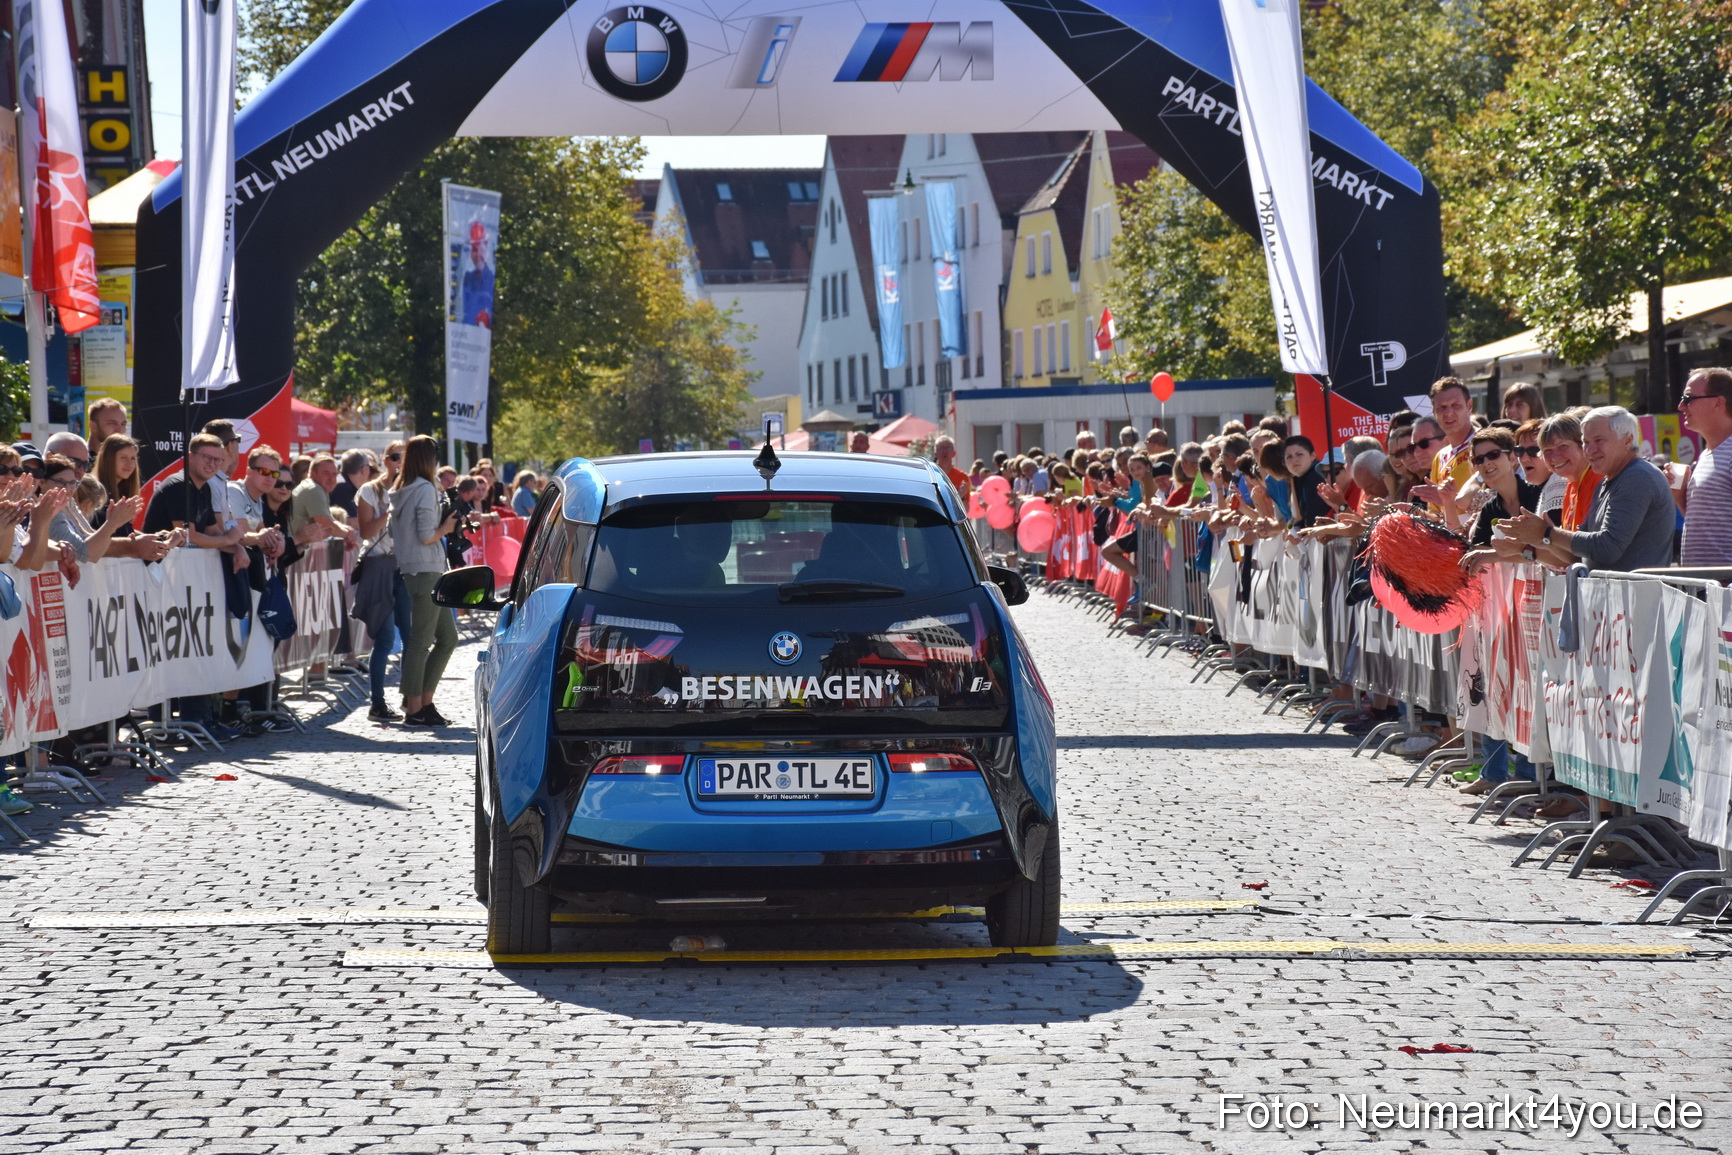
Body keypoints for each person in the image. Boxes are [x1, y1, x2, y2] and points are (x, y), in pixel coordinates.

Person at [1502, 406, 1676, 571]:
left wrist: (1547, 532)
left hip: (1636, 598)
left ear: (1628, 440)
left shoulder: (1637, 476)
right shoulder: (1609, 480)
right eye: (1586, 442)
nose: (1590, 450)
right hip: (1614, 596)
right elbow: (1578, 556)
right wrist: (1543, 538)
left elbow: (1607, 548)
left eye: (1598, 440)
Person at [392, 436, 461, 727]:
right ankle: (415, 707)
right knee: (421, 641)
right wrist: (446, 527)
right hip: (426, 569)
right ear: (427, 459)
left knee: (448, 638)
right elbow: (425, 534)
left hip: (419, 569)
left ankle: (422, 700)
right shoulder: (423, 489)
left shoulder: (403, 488)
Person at [358, 441, 414, 721]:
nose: (398, 463)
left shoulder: (413, 489)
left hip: (405, 568)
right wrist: (388, 510)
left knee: (411, 636)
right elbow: (366, 530)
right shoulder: (370, 490)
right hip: (379, 567)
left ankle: (410, 698)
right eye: (394, 457)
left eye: (404, 459)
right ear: (384, 460)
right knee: (385, 638)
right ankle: (377, 702)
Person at [1676, 367, 1732, 565]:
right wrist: (1681, 498)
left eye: (1689, 398)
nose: (1681, 405)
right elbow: (1710, 525)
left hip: (1724, 590)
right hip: (1705, 588)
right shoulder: (1707, 454)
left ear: (1718, 402)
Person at [288, 454, 359, 548]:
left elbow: (330, 520)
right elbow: (325, 524)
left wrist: (348, 531)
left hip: (294, 548)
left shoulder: (315, 487)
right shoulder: (314, 489)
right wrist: (348, 535)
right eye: (326, 473)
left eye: (334, 474)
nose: (332, 478)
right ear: (313, 474)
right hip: (293, 550)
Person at [1426, 377, 1478, 494]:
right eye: (1442, 408)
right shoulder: (1440, 457)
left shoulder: (1487, 444)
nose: (1449, 413)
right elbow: (1437, 511)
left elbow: (1495, 497)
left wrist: (1447, 501)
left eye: (1456, 405)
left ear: (1469, 406)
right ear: (1434, 412)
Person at [460, 219, 495, 328]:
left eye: (480, 248)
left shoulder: (492, 280)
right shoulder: (467, 278)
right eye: (474, 250)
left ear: (487, 246)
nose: (478, 254)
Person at [330, 449, 373, 516]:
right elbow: (351, 521)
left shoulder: (343, 483)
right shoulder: (343, 488)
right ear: (363, 469)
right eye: (369, 467)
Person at [932, 436, 971, 501]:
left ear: (954, 453)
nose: (944, 451)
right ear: (935, 454)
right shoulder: (931, 475)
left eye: (948, 448)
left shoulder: (962, 477)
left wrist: (960, 496)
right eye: (941, 448)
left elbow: (966, 508)